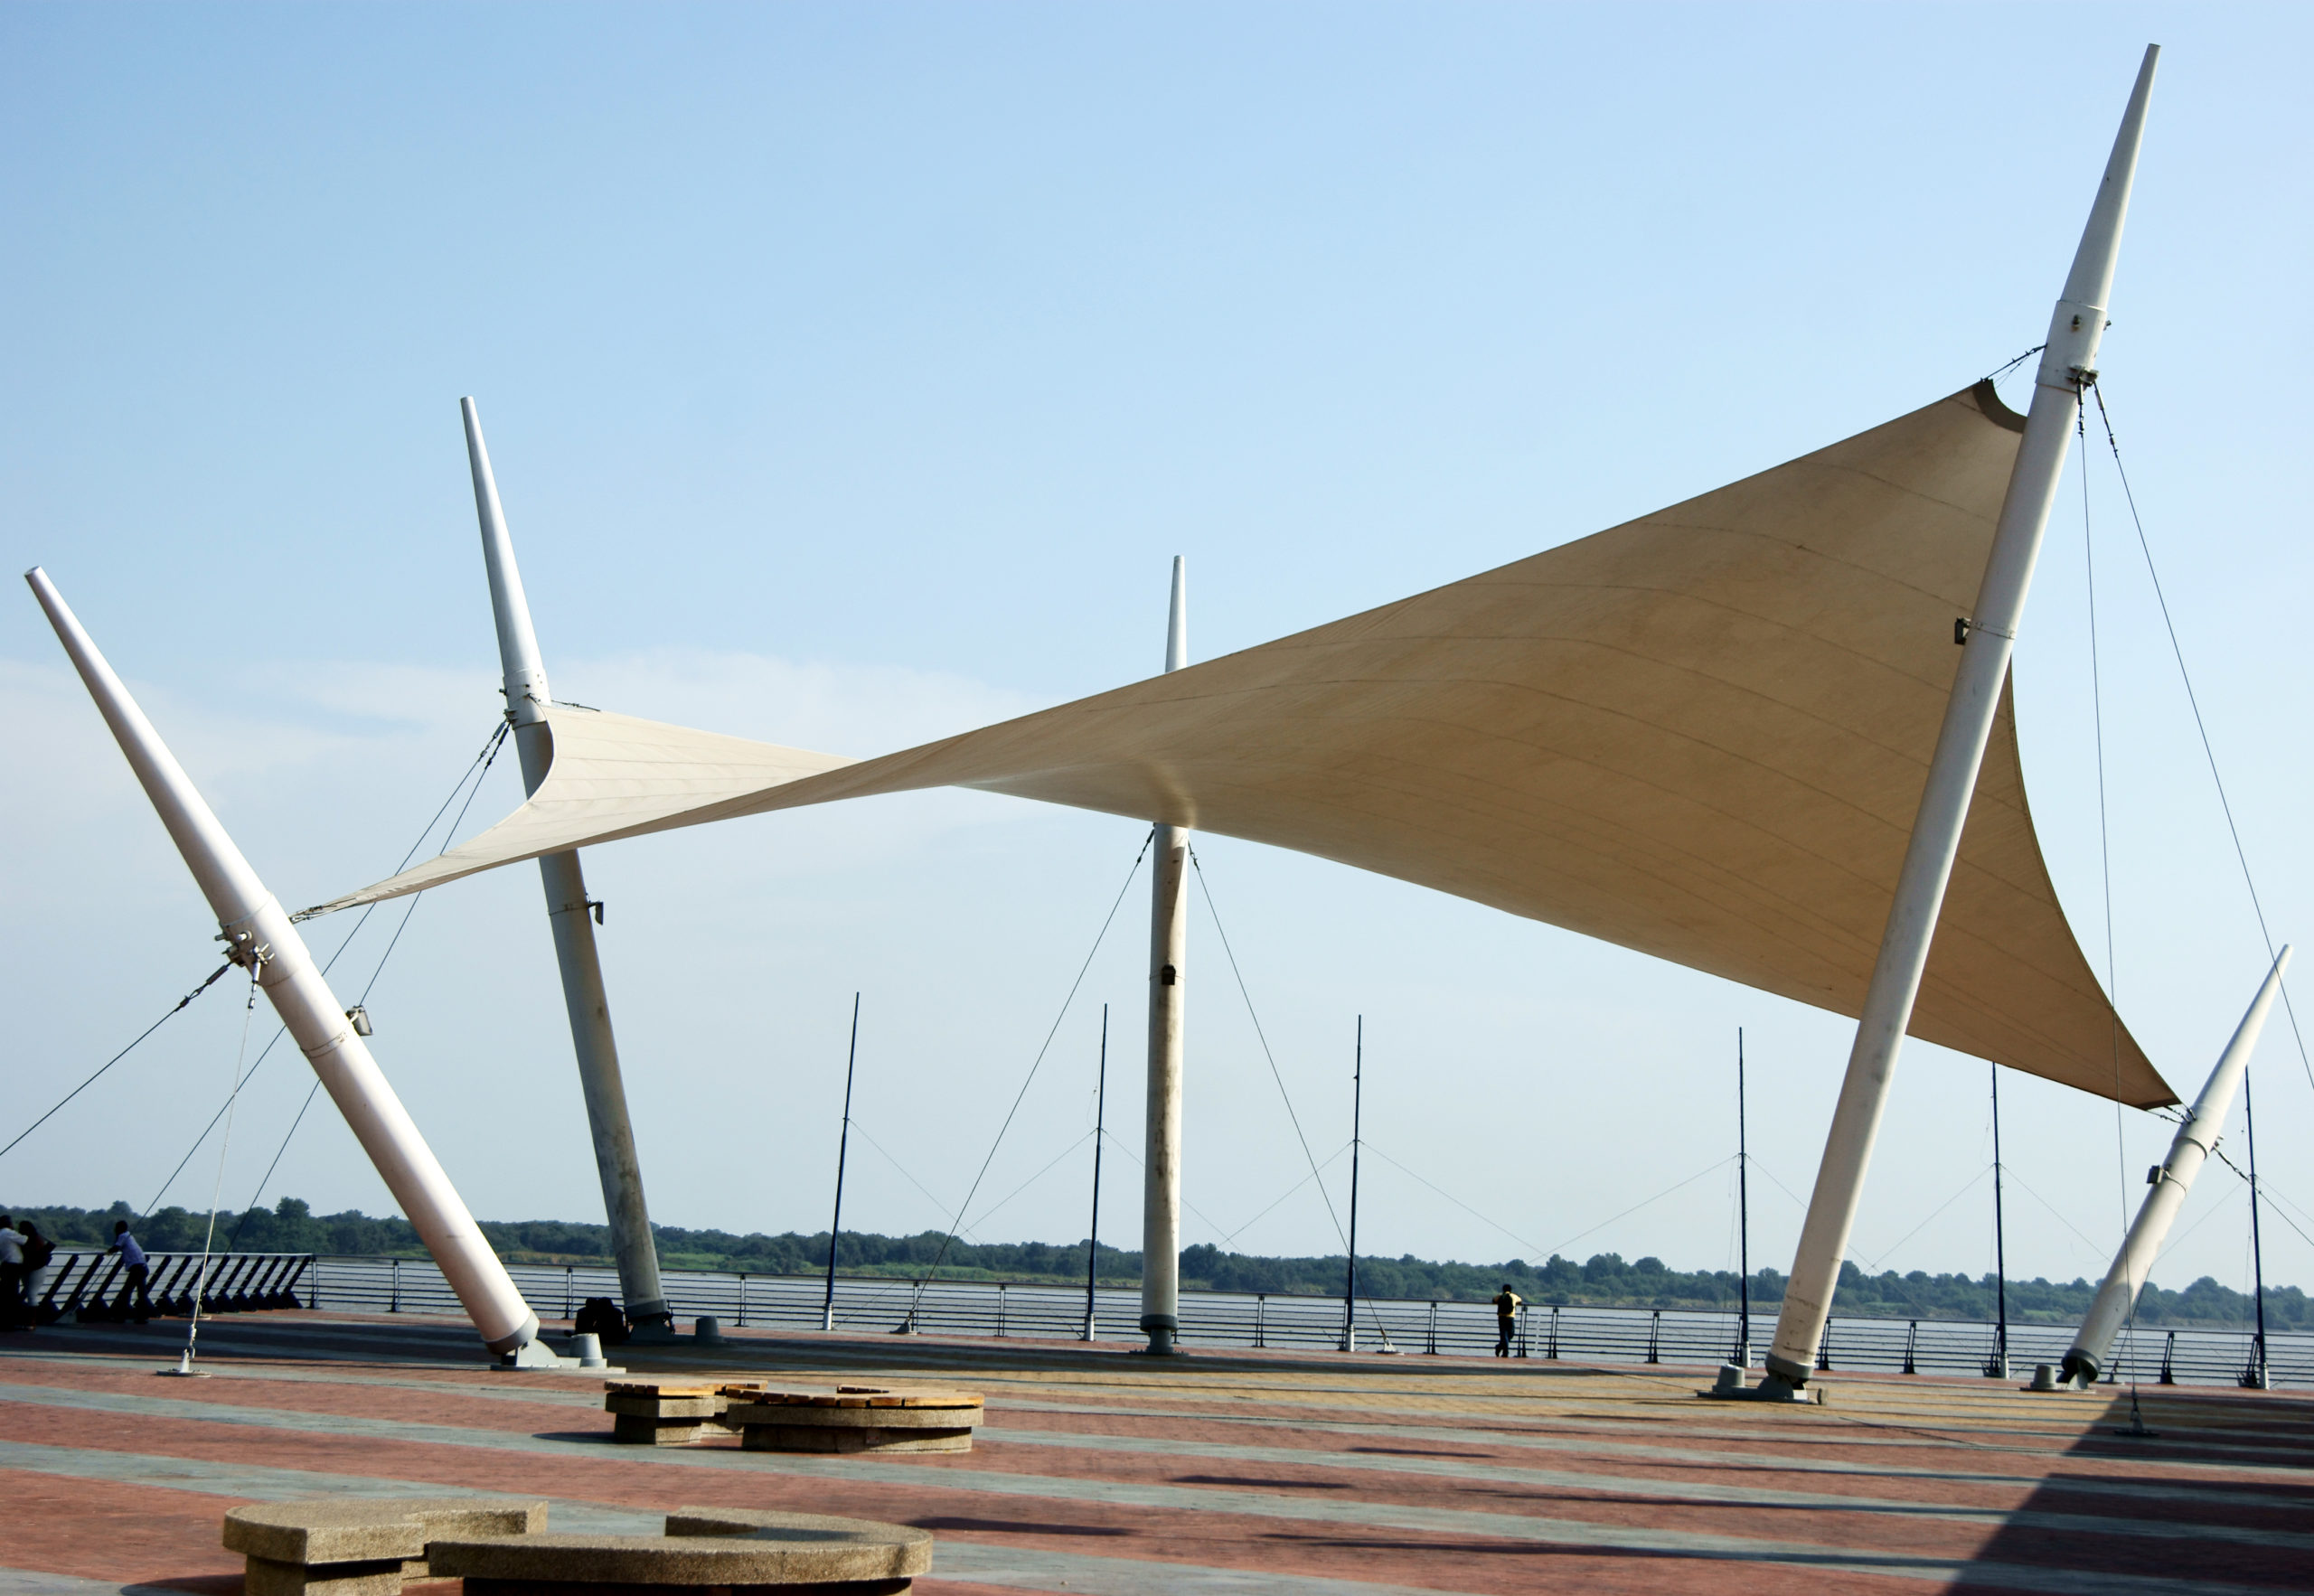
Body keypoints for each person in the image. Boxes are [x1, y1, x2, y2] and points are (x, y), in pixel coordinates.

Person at [108, 1221, 155, 1322]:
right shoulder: (130, 1236)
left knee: (126, 1292)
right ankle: (142, 1317)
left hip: (136, 1268)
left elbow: (116, 1248)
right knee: (141, 1294)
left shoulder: (123, 1236)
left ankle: (121, 1316)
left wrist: (107, 1252)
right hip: (143, 1266)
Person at [0, 1217, 24, 1329]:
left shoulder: (0, 1234)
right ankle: (10, 1323)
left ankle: (5, 1321)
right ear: (9, 1224)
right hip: (13, 1265)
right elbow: (24, 1240)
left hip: (4, 1264)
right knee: (13, 1293)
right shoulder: (10, 1233)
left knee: (6, 1293)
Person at [1491, 1281, 1524, 1357]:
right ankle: (1505, 1352)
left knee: (1504, 1335)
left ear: (1503, 1289)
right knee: (1511, 1334)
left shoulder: (1500, 1296)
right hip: (1510, 1317)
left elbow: (1494, 1300)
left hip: (1501, 1317)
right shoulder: (1513, 1296)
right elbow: (1520, 1301)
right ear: (1510, 1289)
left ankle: (1500, 1347)